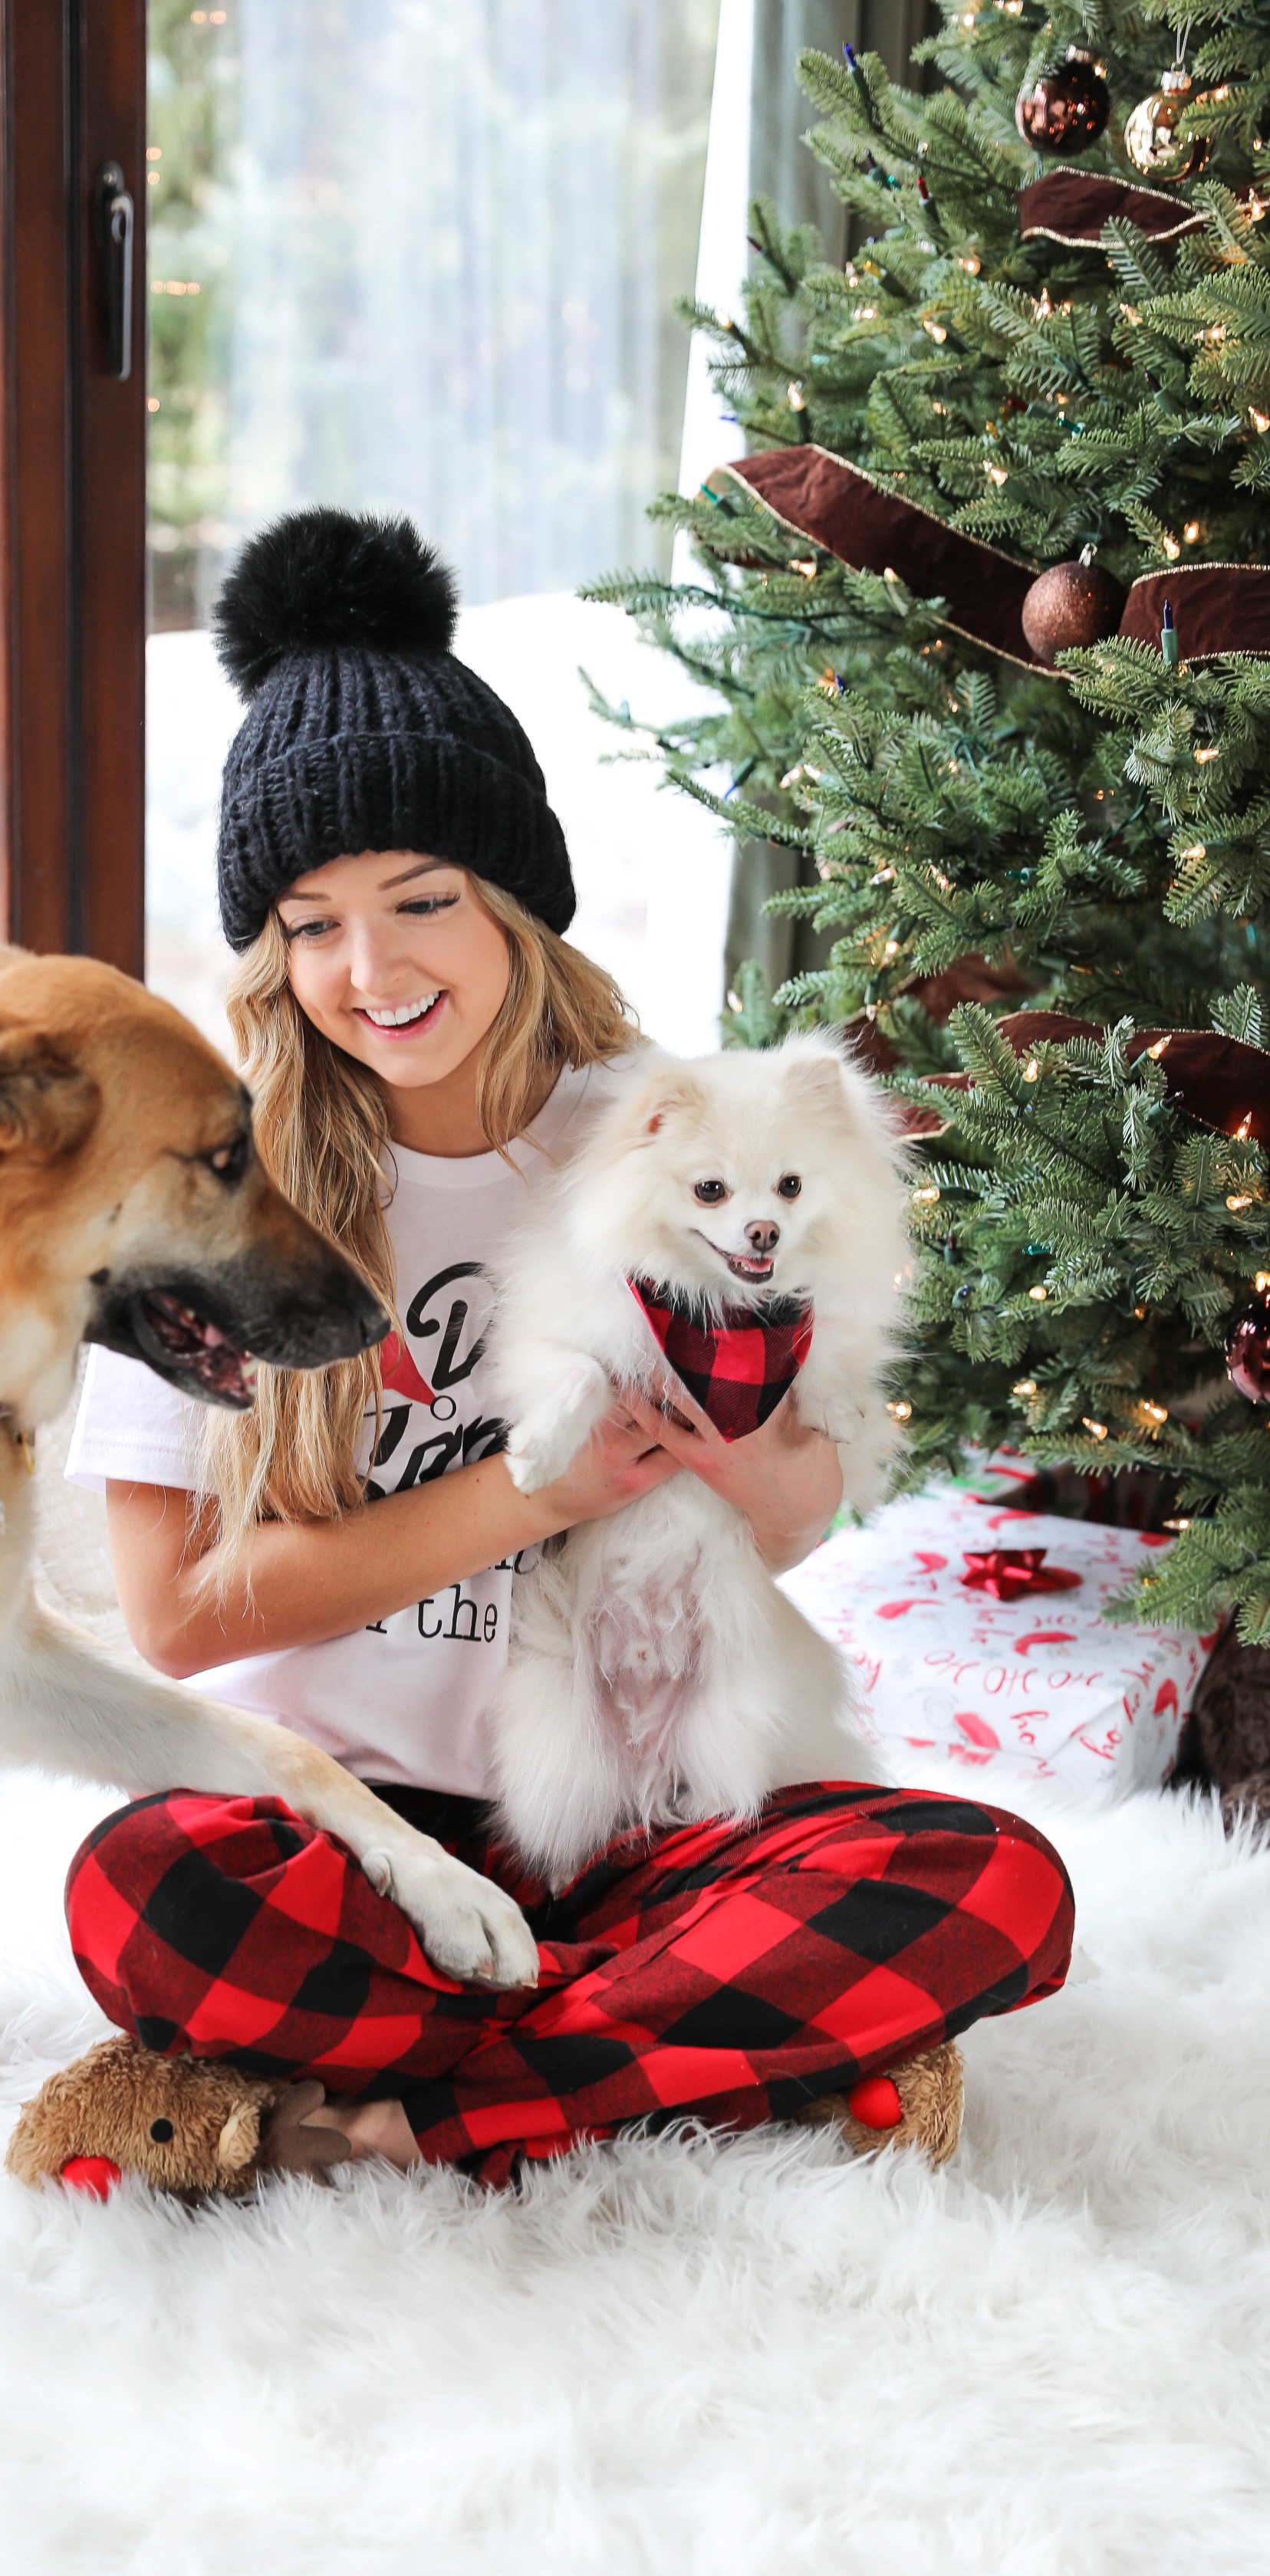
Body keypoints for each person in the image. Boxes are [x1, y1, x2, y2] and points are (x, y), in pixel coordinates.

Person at [62, 508, 1073, 2187]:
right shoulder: (196, 1194)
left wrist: (729, 1430)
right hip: (349, 1832)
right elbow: (171, 1621)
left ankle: (415, 2109)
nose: (368, 969)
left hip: (638, 1813)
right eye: (310, 923)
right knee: (143, 1889)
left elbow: (795, 1511)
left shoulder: (666, 1133)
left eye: (419, 900)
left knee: (994, 1882)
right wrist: (535, 1496)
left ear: (514, 902)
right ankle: (675, 2049)